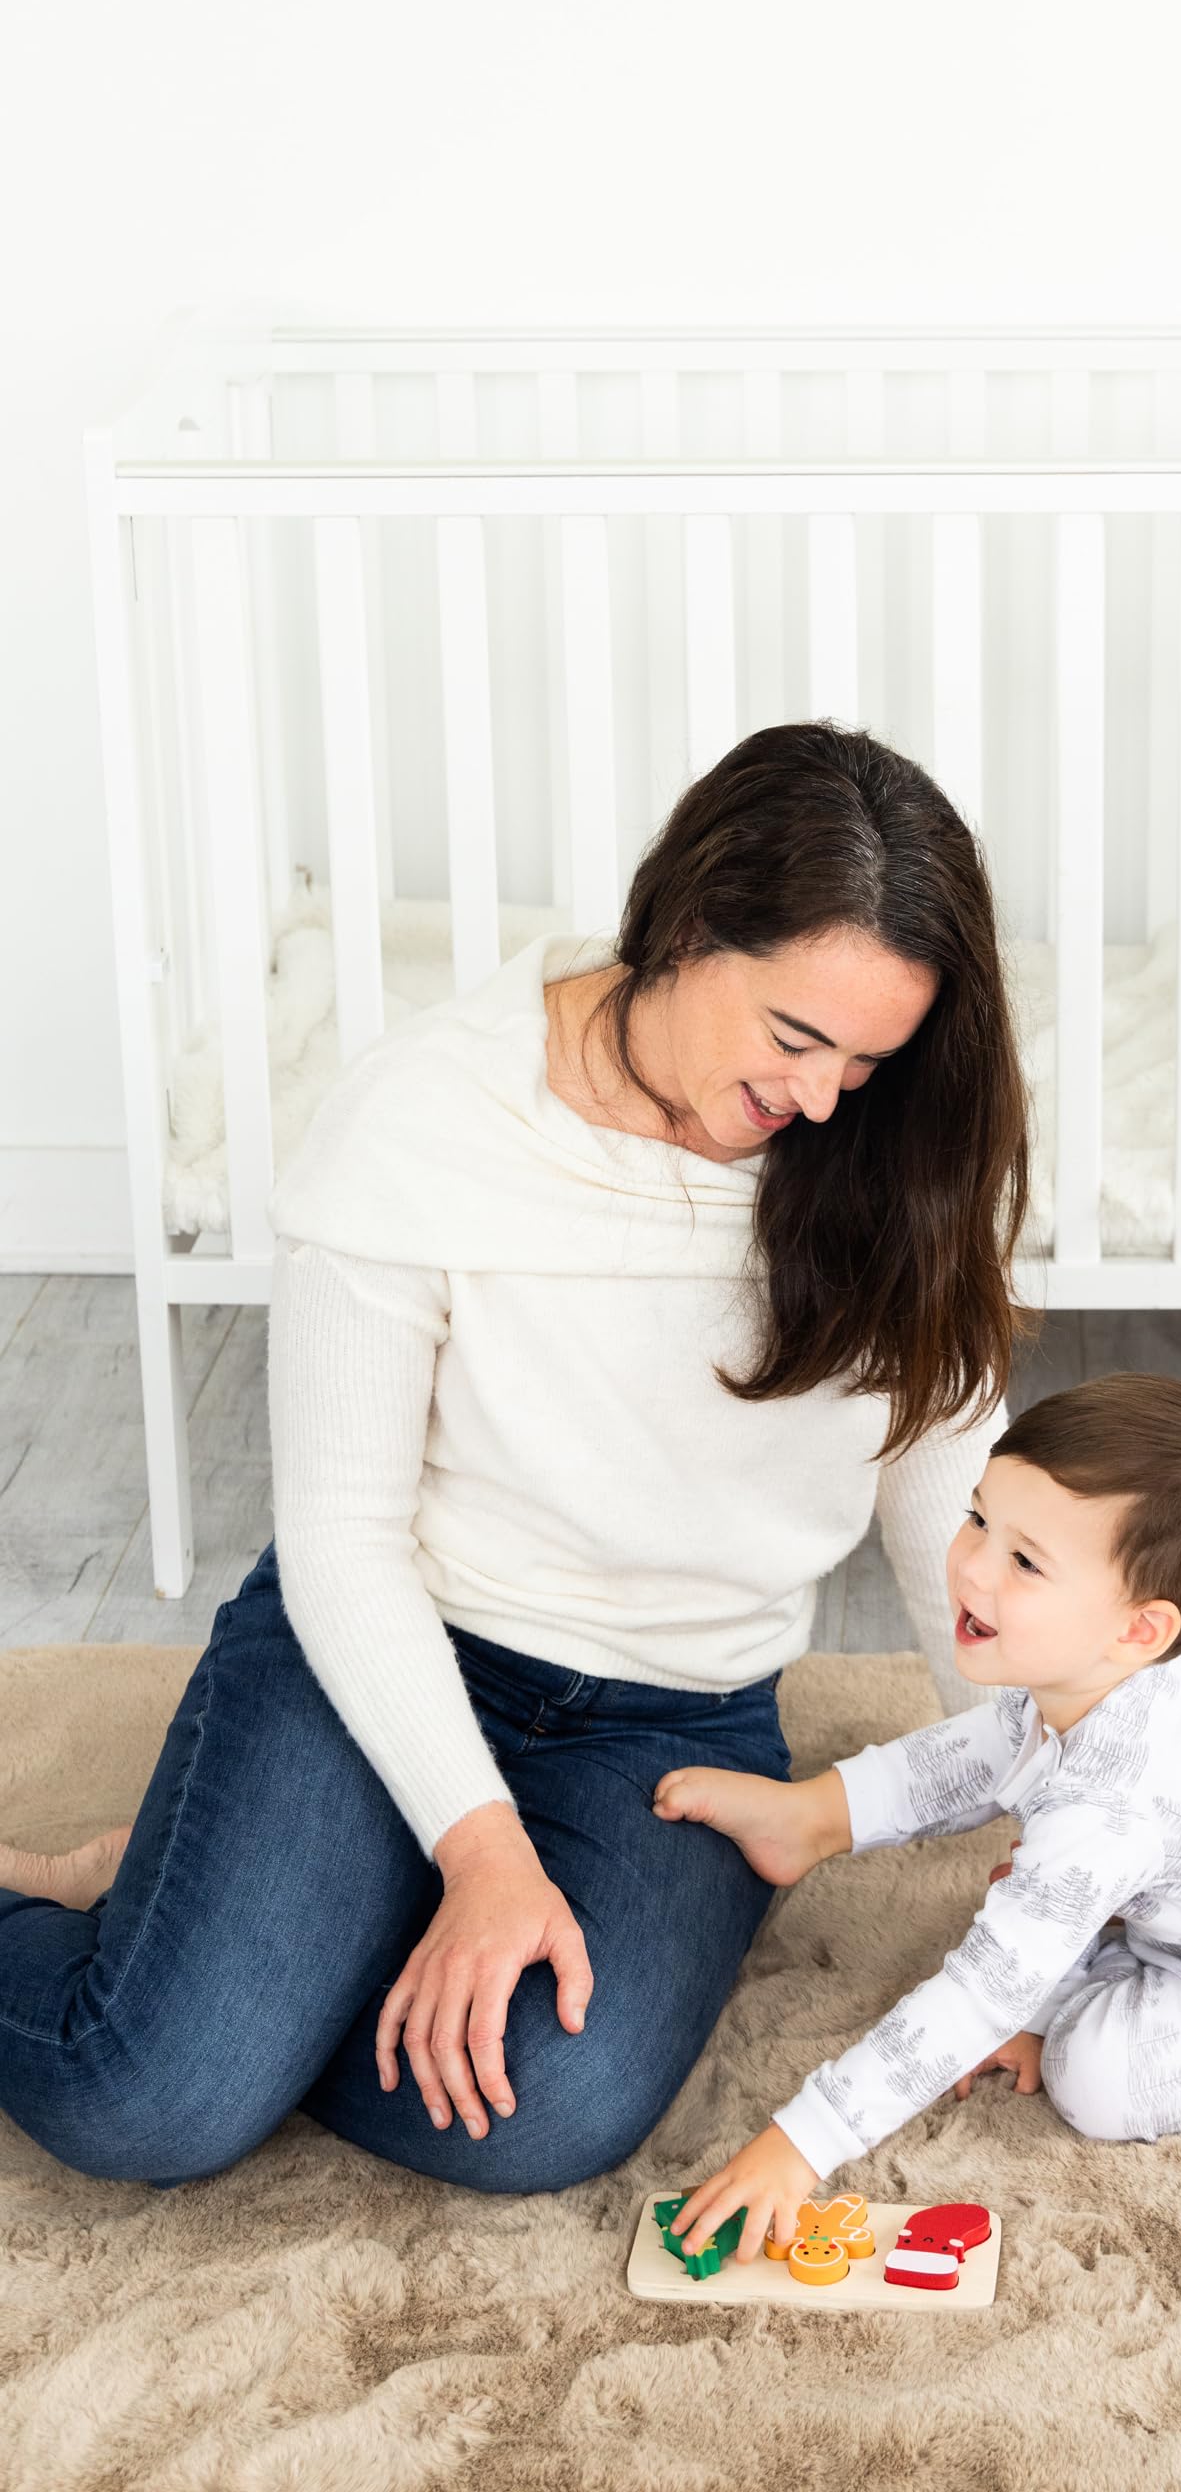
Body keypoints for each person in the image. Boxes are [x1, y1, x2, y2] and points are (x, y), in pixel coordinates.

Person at [0, 721, 1037, 2193]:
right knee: (149, 2098)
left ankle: (223, 1928)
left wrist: (1078, 1801)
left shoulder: (891, 1154)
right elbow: (345, 1546)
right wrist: (482, 1857)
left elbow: (960, 1528)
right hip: (396, 1642)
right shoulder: (425, 1118)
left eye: (866, 1060)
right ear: (682, 927)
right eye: (793, 1039)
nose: (819, 1102)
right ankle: (205, 1950)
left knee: (542, 2108)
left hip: (671, 1722)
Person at [656, 1372, 1181, 2267]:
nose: (972, 1565)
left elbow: (974, 1997)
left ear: (1139, 1631)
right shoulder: (1100, 1681)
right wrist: (826, 1804)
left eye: (1024, 1562)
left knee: (1095, 2078)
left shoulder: (1113, 1806)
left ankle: (1076, 1967)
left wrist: (797, 2147)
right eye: (978, 1518)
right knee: (1007, 1761)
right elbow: (983, 1749)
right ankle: (813, 1821)